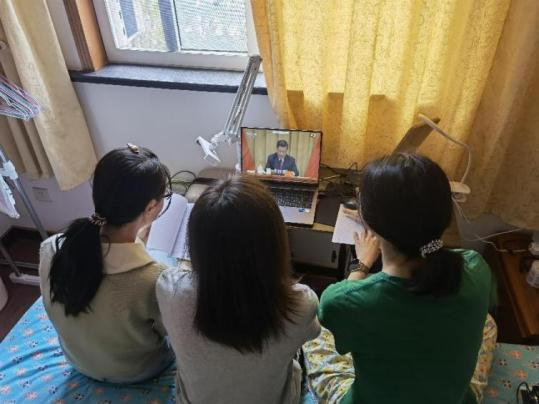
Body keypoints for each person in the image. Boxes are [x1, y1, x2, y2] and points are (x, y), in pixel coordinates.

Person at [304, 153, 496, 404]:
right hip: (453, 399)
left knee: (316, 331)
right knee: (488, 323)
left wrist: (361, 265)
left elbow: (342, 306)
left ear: (370, 223)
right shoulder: (476, 266)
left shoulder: (343, 301)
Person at [157, 175, 320, 404]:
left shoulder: (169, 290)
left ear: (196, 242)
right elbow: (313, 334)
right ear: (275, 241)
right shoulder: (301, 303)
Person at [39, 144, 174, 383]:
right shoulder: (155, 278)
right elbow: (171, 330)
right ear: (151, 207)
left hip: (78, 361)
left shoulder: (51, 248)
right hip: (137, 371)